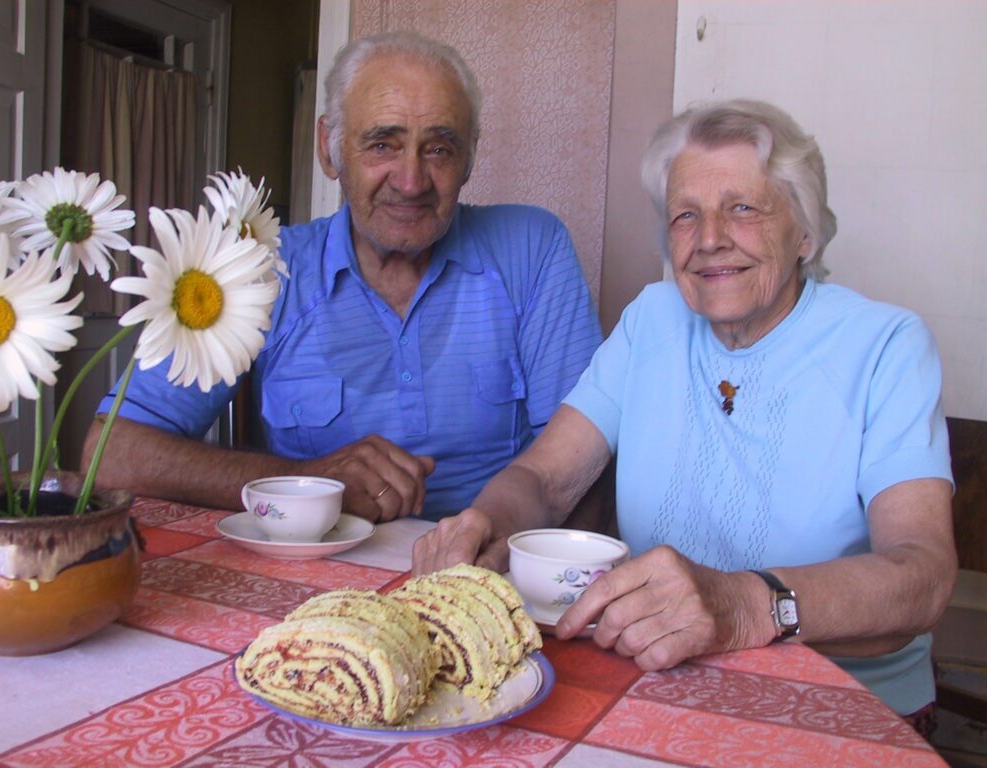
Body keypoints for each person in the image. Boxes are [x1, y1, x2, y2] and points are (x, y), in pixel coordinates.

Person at [413, 99, 957, 732]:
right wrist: (487, 522)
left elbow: (921, 575)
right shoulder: (653, 318)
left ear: (805, 232)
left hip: (840, 710)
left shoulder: (886, 345)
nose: (709, 239)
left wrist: (747, 607)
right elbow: (544, 478)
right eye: (685, 215)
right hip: (654, 683)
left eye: (744, 208)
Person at [83, 31, 602, 523]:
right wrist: (307, 482)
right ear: (329, 149)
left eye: (440, 148)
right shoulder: (260, 267)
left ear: (469, 158)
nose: (410, 180)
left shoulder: (532, 248)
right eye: (382, 144)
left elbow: (587, 463)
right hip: (316, 580)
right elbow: (111, 453)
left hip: (490, 571)